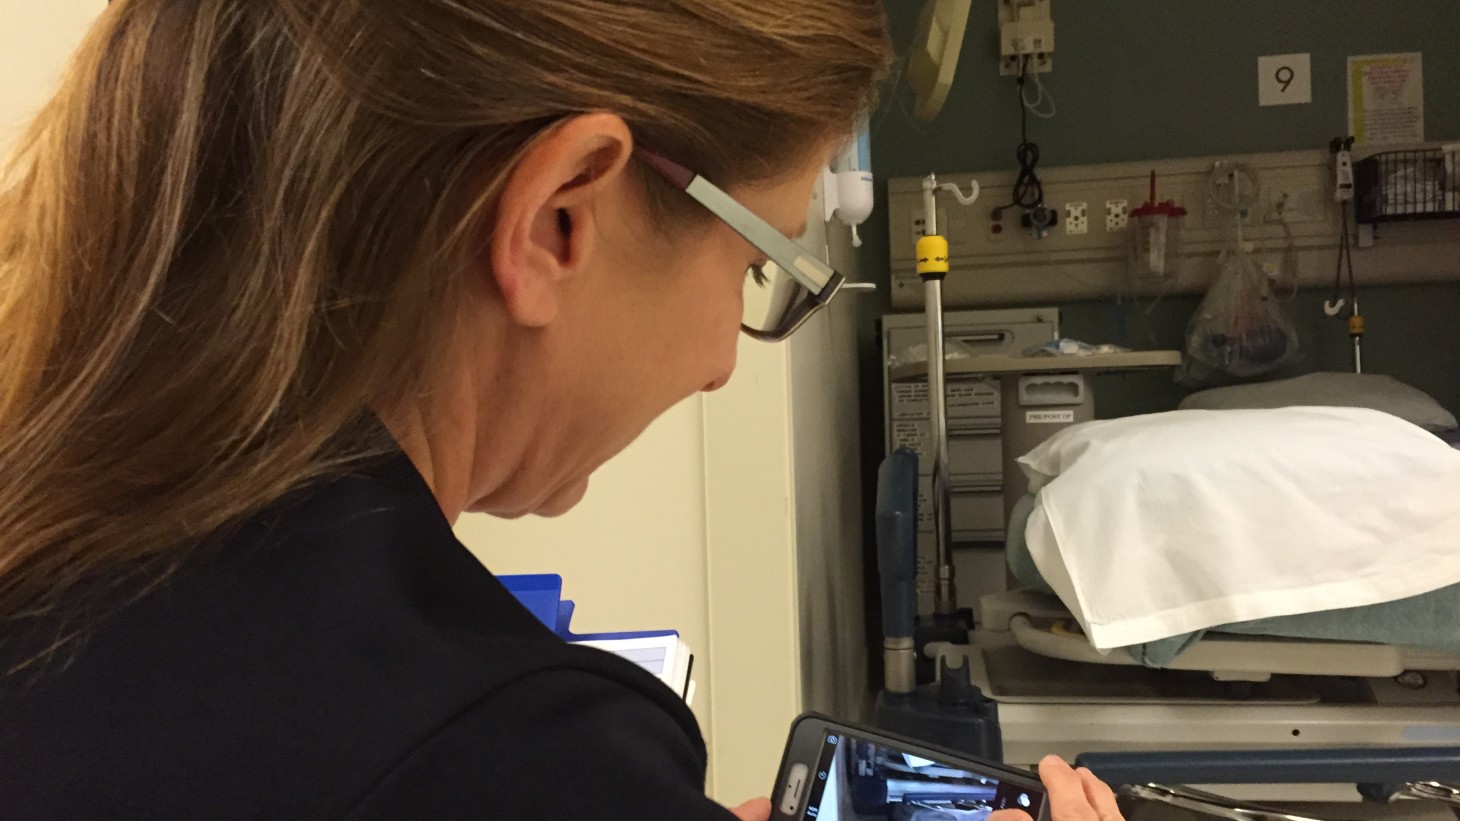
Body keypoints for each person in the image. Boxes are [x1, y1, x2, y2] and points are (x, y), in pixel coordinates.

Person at [0, 1, 1126, 819]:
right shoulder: (495, 747)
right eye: (750, 269)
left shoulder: (73, 545)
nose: (718, 368)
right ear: (557, 222)